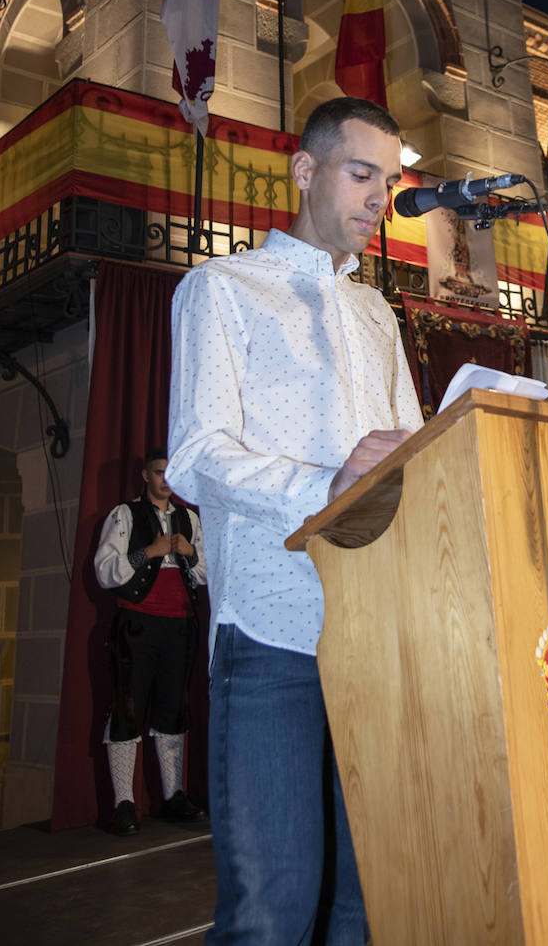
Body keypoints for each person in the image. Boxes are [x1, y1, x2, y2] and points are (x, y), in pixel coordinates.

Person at [166, 97, 423, 946]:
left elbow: (412, 457)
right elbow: (197, 458)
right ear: (305, 171)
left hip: (376, 636)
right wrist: (328, 484)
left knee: (369, 902)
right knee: (272, 912)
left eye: (388, 182)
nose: (378, 197)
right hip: (272, 632)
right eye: (361, 174)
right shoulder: (222, 288)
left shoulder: (377, 313)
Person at [94, 447, 207, 835]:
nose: (166, 480)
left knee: (173, 710)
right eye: (159, 472)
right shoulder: (124, 514)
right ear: (145, 475)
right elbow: (106, 571)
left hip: (179, 627)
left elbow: (207, 575)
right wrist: (149, 553)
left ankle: (173, 795)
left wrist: (188, 553)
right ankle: (123, 802)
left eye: (170, 473)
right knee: (127, 708)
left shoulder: (189, 519)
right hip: (137, 624)